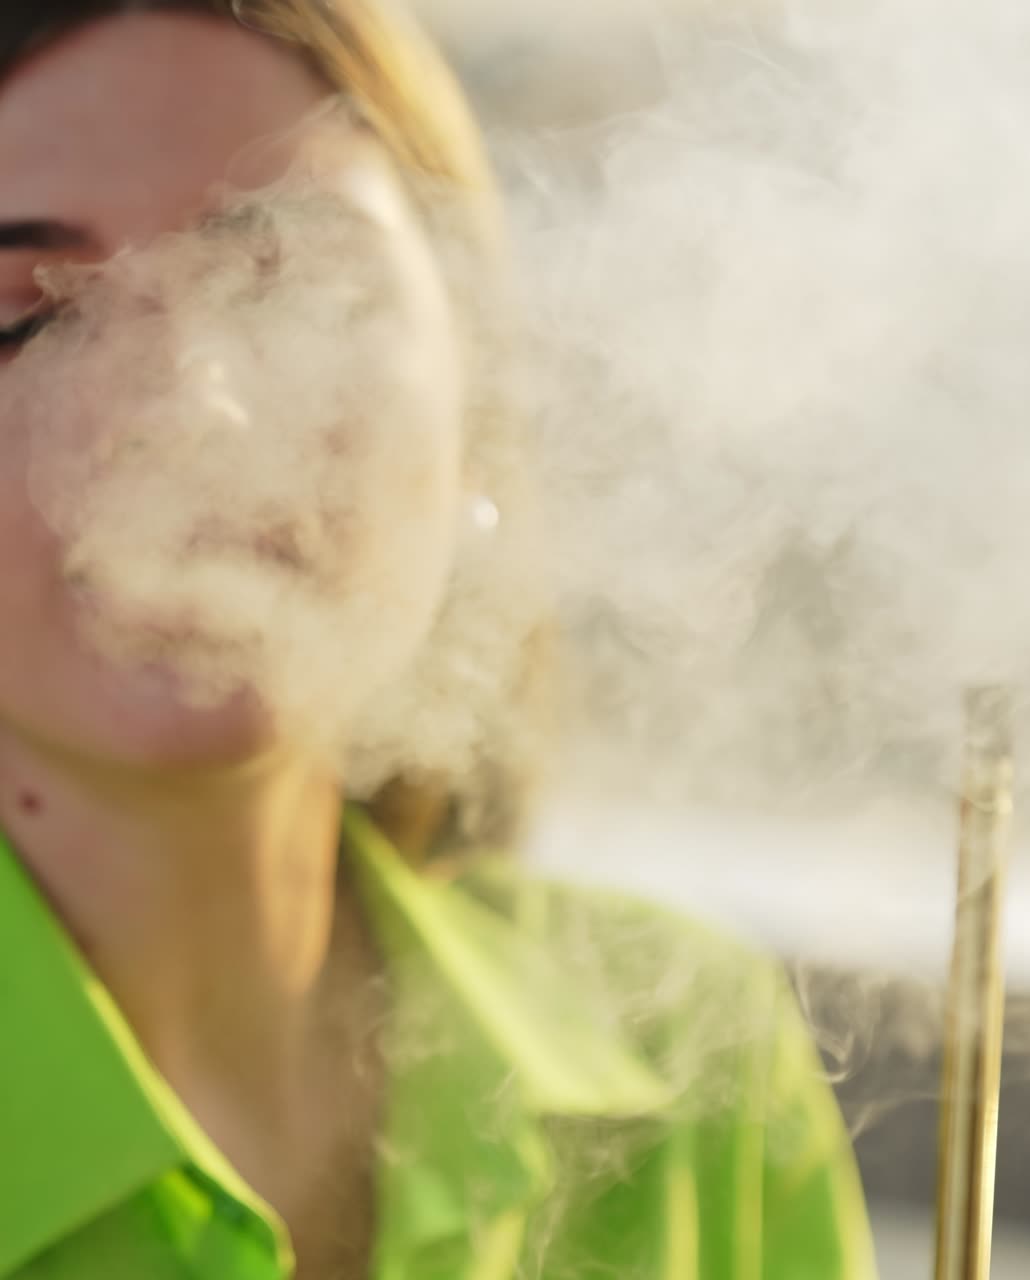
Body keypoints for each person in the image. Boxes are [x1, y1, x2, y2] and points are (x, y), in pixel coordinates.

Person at [0, 2, 878, 1277]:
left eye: (287, 279)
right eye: (23, 314)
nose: (193, 404)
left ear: (473, 386)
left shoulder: (697, 1059)